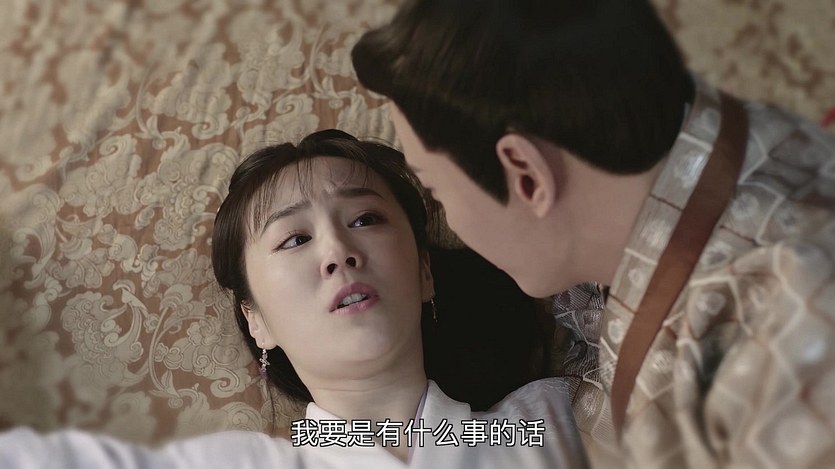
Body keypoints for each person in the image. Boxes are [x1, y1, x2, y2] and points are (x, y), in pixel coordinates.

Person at [351, 1, 835, 467]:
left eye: (436, 194)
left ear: (526, 175)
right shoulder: (725, 155)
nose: (340, 256)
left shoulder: (783, 319)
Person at [0, 130, 587, 468]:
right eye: (295, 239)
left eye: (365, 218)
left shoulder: (550, 424)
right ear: (256, 322)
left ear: (425, 273)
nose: (338, 251)